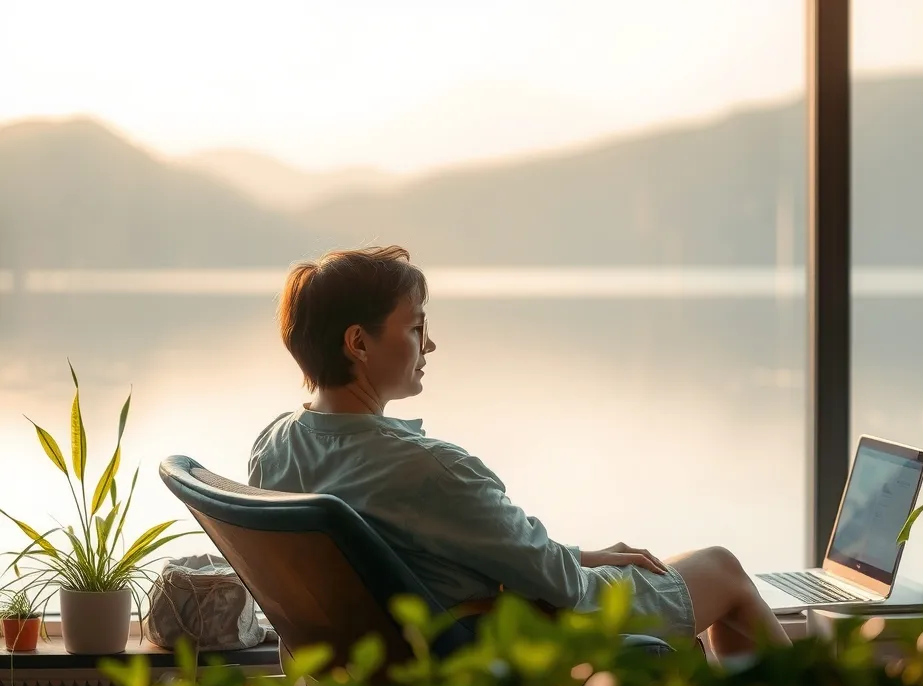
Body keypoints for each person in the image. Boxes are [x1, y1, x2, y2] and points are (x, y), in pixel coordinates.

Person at [249, 245, 791, 660]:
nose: (429, 345)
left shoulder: (274, 449)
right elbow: (560, 587)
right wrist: (571, 560)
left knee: (666, 579)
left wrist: (580, 552)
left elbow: (458, 550)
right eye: (416, 328)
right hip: (483, 642)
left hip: (372, 662)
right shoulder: (430, 471)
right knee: (721, 569)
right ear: (359, 344)